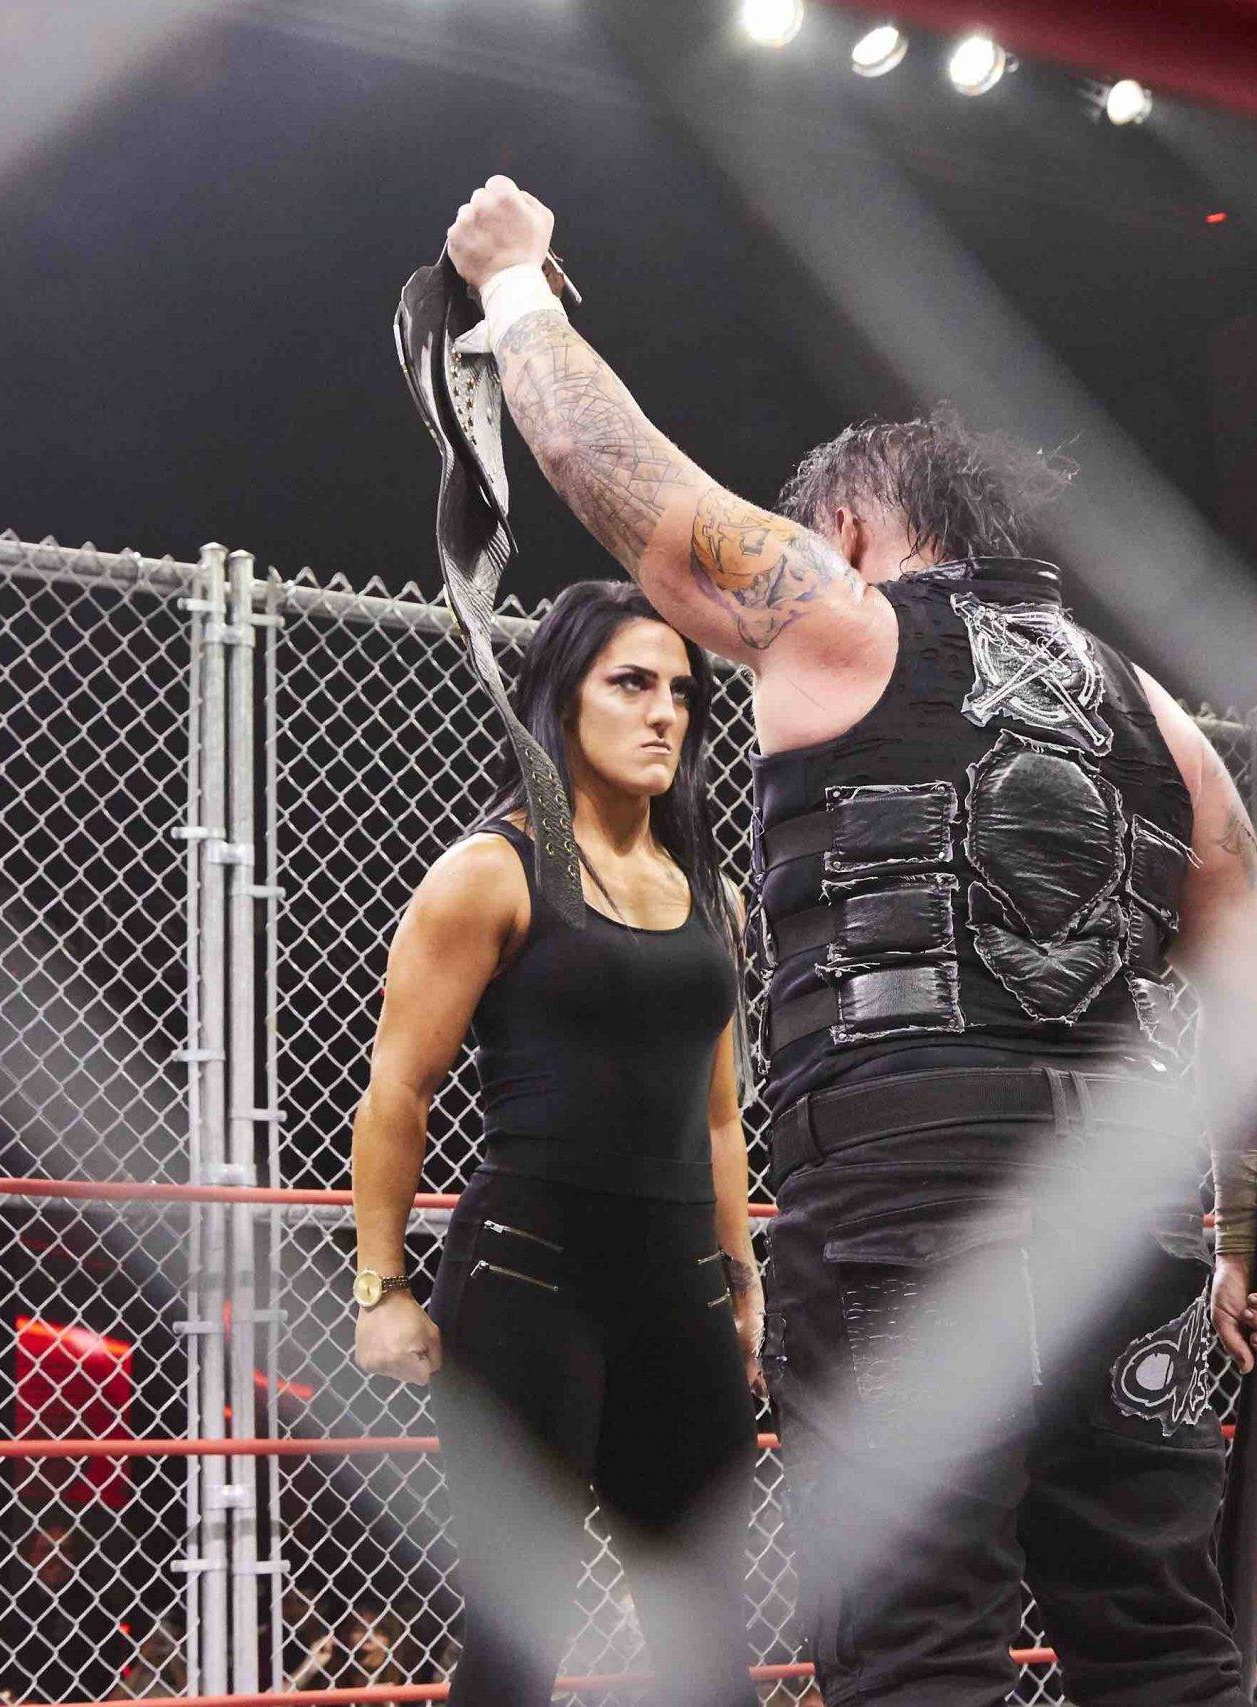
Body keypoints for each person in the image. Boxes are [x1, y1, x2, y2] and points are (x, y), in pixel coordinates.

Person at [443, 174, 1257, 1707]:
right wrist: (1252, 1245)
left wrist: (514, 283)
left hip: (914, 1215)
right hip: (1137, 1230)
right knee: (1168, 1648)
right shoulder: (1166, 721)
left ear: (847, 523)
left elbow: (606, 467)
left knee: (916, 1648)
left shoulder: (842, 616)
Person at [348, 578, 763, 1707]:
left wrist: (740, 1275)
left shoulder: (710, 896)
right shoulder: (490, 870)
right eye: (630, 684)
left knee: (708, 1637)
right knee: (518, 1641)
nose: (663, 712)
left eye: (680, 691)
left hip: (677, 1287)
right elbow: (398, 1087)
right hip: (530, 1283)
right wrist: (381, 1286)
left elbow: (718, 1114)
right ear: (561, 701)